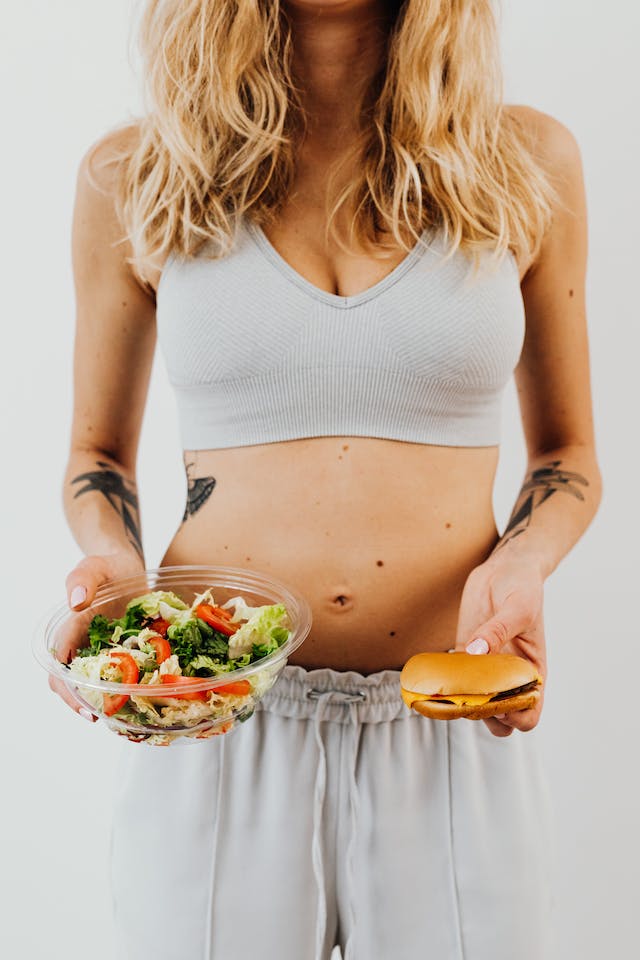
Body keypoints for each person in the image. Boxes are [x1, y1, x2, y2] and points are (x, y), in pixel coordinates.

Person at [49, 1, 601, 958]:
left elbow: (567, 455)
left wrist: (523, 568)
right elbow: (96, 456)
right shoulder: (137, 173)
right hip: (218, 720)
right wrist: (112, 564)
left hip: (450, 717)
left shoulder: (525, 163)